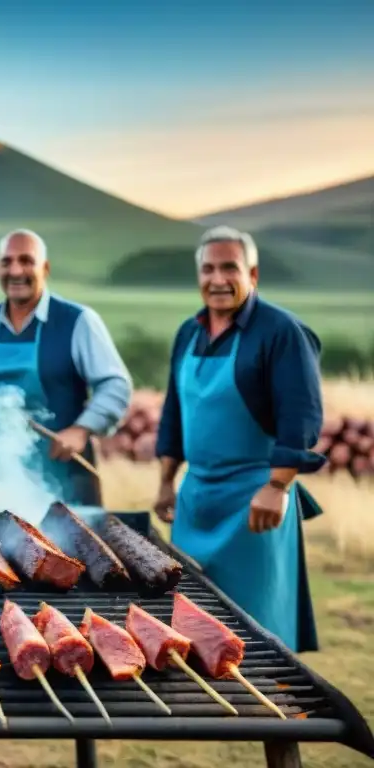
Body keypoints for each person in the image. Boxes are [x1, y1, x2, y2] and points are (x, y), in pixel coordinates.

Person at [153, 226, 323, 652]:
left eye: (229, 268)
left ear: (253, 273)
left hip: (255, 503)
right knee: (193, 627)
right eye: (208, 269)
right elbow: (175, 411)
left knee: (256, 633)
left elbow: (299, 416)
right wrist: (166, 481)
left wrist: (278, 486)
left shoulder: (281, 332)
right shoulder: (187, 333)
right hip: (195, 502)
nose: (217, 279)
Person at [0, 229, 132, 506]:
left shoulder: (78, 321)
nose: (16, 270)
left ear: (44, 269)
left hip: (66, 481)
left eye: (26, 261)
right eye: (7, 262)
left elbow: (116, 385)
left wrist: (81, 430)